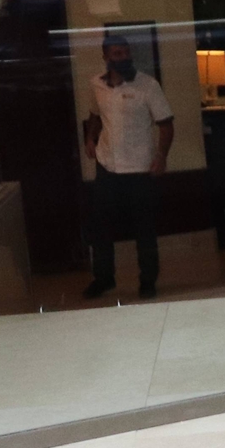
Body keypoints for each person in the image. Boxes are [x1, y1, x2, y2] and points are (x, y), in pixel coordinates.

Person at [81, 34, 173, 299]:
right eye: (117, 54)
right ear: (106, 57)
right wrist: (90, 137)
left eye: (126, 53)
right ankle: (103, 278)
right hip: (107, 165)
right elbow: (95, 114)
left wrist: (162, 156)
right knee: (101, 226)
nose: (123, 58)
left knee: (144, 228)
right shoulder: (96, 84)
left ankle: (147, 281)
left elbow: (166, 124)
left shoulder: (148, 85)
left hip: (139, 168)